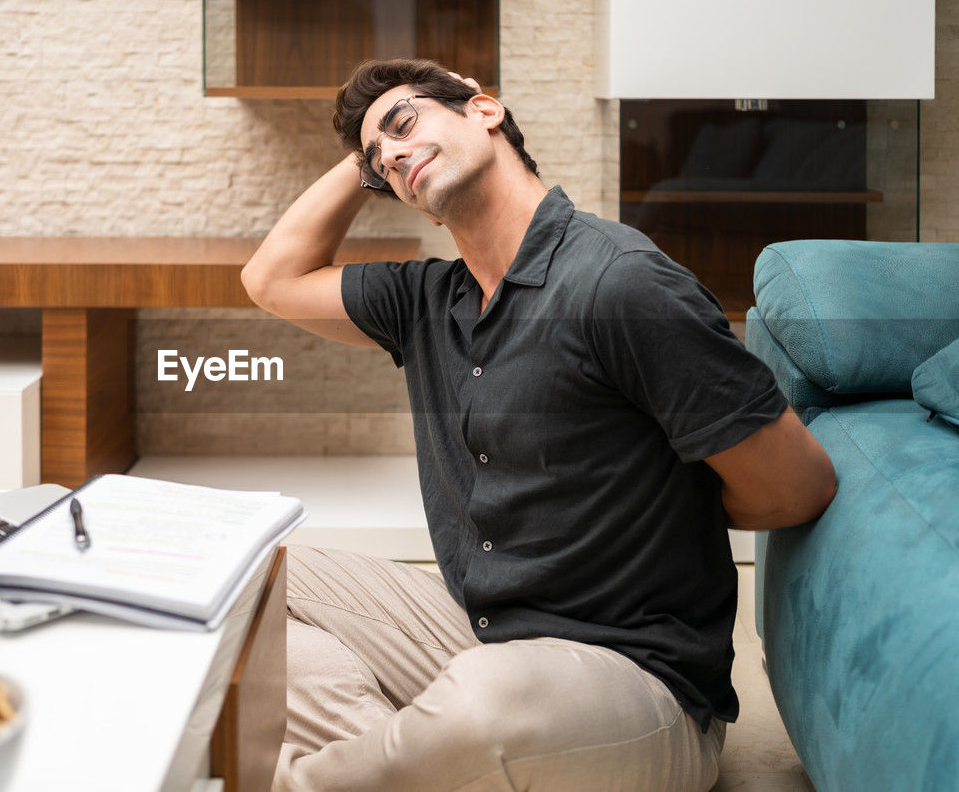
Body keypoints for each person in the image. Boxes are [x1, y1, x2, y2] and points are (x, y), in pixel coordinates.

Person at [240, 58, 837, 791]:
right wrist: (369, 151)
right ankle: (409, 768)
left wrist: (662, 498)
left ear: (484, 111)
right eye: (379, 164)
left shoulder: (620, 282)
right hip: (480, 630)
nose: (391, 154)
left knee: (488, 703)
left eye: (405, 122)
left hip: (635, 681)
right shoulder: (427, 302)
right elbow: (270, 280)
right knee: (255, 577)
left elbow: (797, 487)